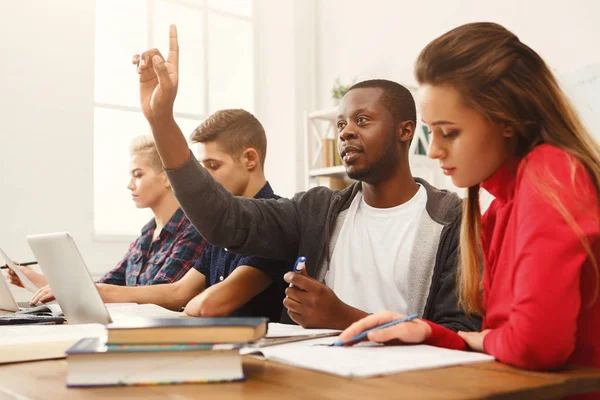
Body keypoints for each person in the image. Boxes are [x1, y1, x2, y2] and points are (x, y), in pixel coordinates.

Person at [130, 25, 480, 332]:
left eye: (363, 120)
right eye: (341, 123)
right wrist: (161, 120)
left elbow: (458, 332)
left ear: (406, 131)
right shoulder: (316, 210)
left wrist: (344, 316)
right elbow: (223, 220)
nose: (345, 133)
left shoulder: (454, 220)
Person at [339, 22, 600, 388]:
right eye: (431, 132)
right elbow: (501, 340)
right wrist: (427, 331)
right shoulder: (497, 210)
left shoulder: (552, 176)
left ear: (505, 121)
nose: (434, 151)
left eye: (450, 132)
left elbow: (535, 345)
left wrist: (478, 339)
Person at [26, 111, 287, 321]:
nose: (204, 177)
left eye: (213, 166)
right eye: (202, 167)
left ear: (250, 159)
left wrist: (188, 309)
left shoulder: (273, 220)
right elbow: (179, 292)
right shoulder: (219, 225)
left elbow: (210, 304)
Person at [12, 135, 206, 303]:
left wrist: (102, 291)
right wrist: (35, 279)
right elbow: (103, 286)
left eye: (138, 175)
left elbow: (163, 295)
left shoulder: (194, 231)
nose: (130, 185)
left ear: (166, 177)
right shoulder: (146, 237)